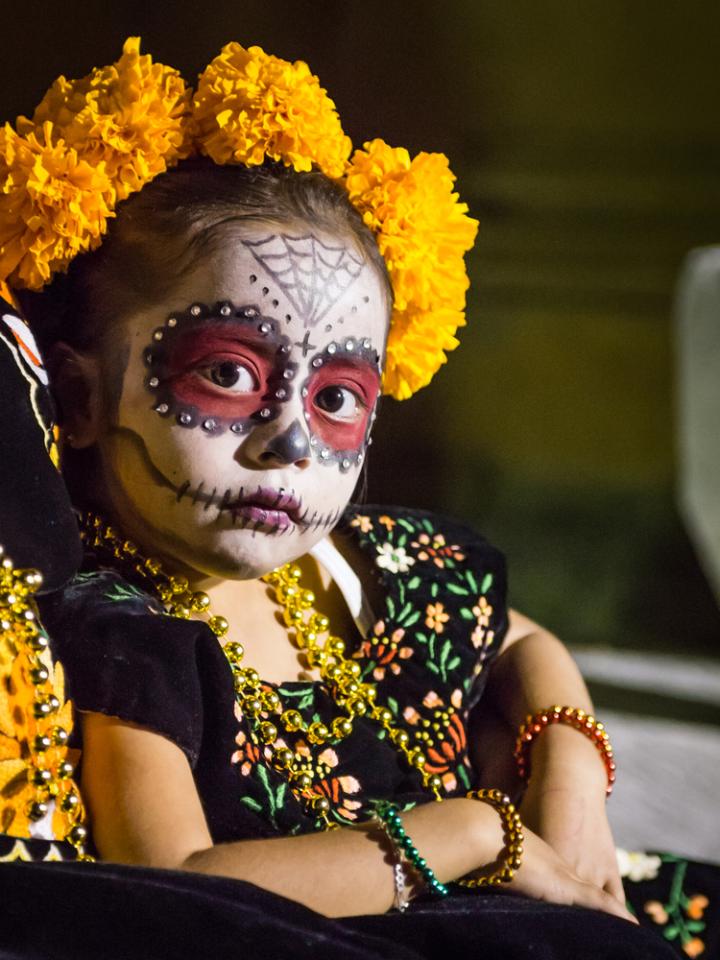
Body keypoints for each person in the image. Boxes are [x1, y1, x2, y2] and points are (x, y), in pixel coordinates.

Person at [1, 38, 704, 959]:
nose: (288, 443)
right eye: (228, 373)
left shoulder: (348, 565)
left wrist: (565, 777)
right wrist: (476, 834)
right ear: (83, 399)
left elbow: (524, 642)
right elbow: (172, 883)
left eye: (335, 398)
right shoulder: (128, 633)